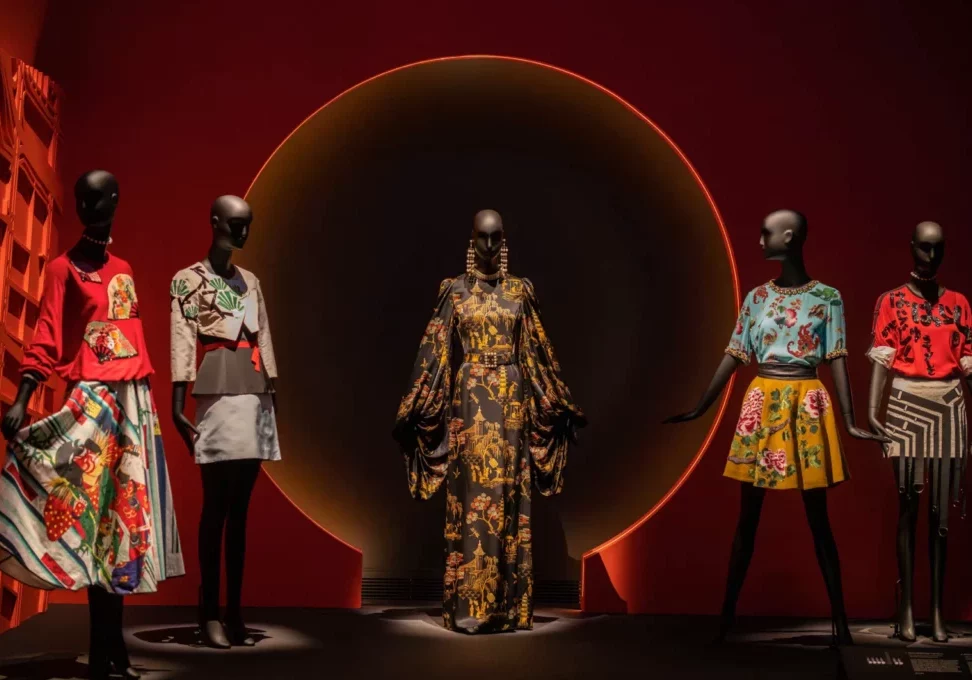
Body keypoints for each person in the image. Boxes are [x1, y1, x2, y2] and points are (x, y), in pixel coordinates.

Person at [666, 209, 887, 646]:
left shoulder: (827, 297)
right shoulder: (756, 298)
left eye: (766, 232)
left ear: (789, 236)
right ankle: (726, 615)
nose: (760, 240)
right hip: (763, 400)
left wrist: (849, 421)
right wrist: (700, 407)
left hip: (807, 400)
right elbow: (735, 352)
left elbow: (837, 355)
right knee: (746, 520)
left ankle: (839, 619)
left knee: (818, 519)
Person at [0, 170, 183, 679]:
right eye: (82, 197)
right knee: (90, 523)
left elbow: (126, 340)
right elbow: (47, 332)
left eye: (98, 196)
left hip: (132, 407)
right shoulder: (63, 270)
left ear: (115, 202)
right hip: (92, 407)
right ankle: (105, 651)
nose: (88, 204)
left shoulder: (122, 269)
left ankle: (110, 651)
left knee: (121, 526)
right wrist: (24, 395)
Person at [393, 209, 585, 633]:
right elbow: (435, 351)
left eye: (496, 237)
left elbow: (537, 352)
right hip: (470, 397)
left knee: (508, 497)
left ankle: (510, 608)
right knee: (472, 496)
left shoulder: (520, 290)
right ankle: (469, 608)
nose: (489, 246)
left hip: (512, 399)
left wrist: (557, 402)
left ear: (505, 240)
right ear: (471, 239)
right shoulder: (454, 291)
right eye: (482, 237)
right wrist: (416, 405)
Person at [170, 195, 280, 648]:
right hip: (215, 396)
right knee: (215, 507)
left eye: (248, 224)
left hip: (254, 397)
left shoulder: (251, 281)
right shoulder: (188, 281)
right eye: (236, 223)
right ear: (215, 221)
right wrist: (177, 402)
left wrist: (274, 395)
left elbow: (265, 337)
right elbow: (181, 337)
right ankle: (208, 612)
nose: (242, 232)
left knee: (242, 513)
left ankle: (234, 610)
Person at [867, 221, 972, 642]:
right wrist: (874, 409)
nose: (931, 256)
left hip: (948, 404)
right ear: (912, 248)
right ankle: (908, 608)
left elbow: (967, 357)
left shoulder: (960, 303)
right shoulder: (891, 301)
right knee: (909, 508)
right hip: (906, 404)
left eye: (937, 249)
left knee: (940, 516)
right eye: (924, 248)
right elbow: (882, 354)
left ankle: (936, 611)